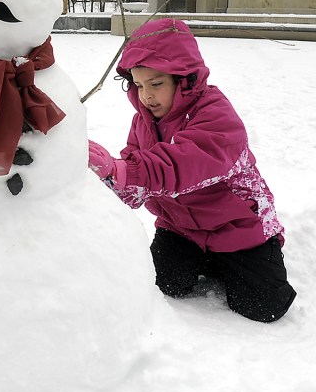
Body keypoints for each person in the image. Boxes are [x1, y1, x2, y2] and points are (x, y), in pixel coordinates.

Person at [87, 18, 296, 322]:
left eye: (156, 84)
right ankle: (205, 259)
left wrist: (125, 170)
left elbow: (183, 162)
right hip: (181, 228)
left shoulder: (216, 114)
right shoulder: (143, 122)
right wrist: (107, 179)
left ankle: (246, 258)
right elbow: (137, 181)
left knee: (263, 306)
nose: (146, 96)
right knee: (162, 283)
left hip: (238, 227)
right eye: (139, 84)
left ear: (184, 79)